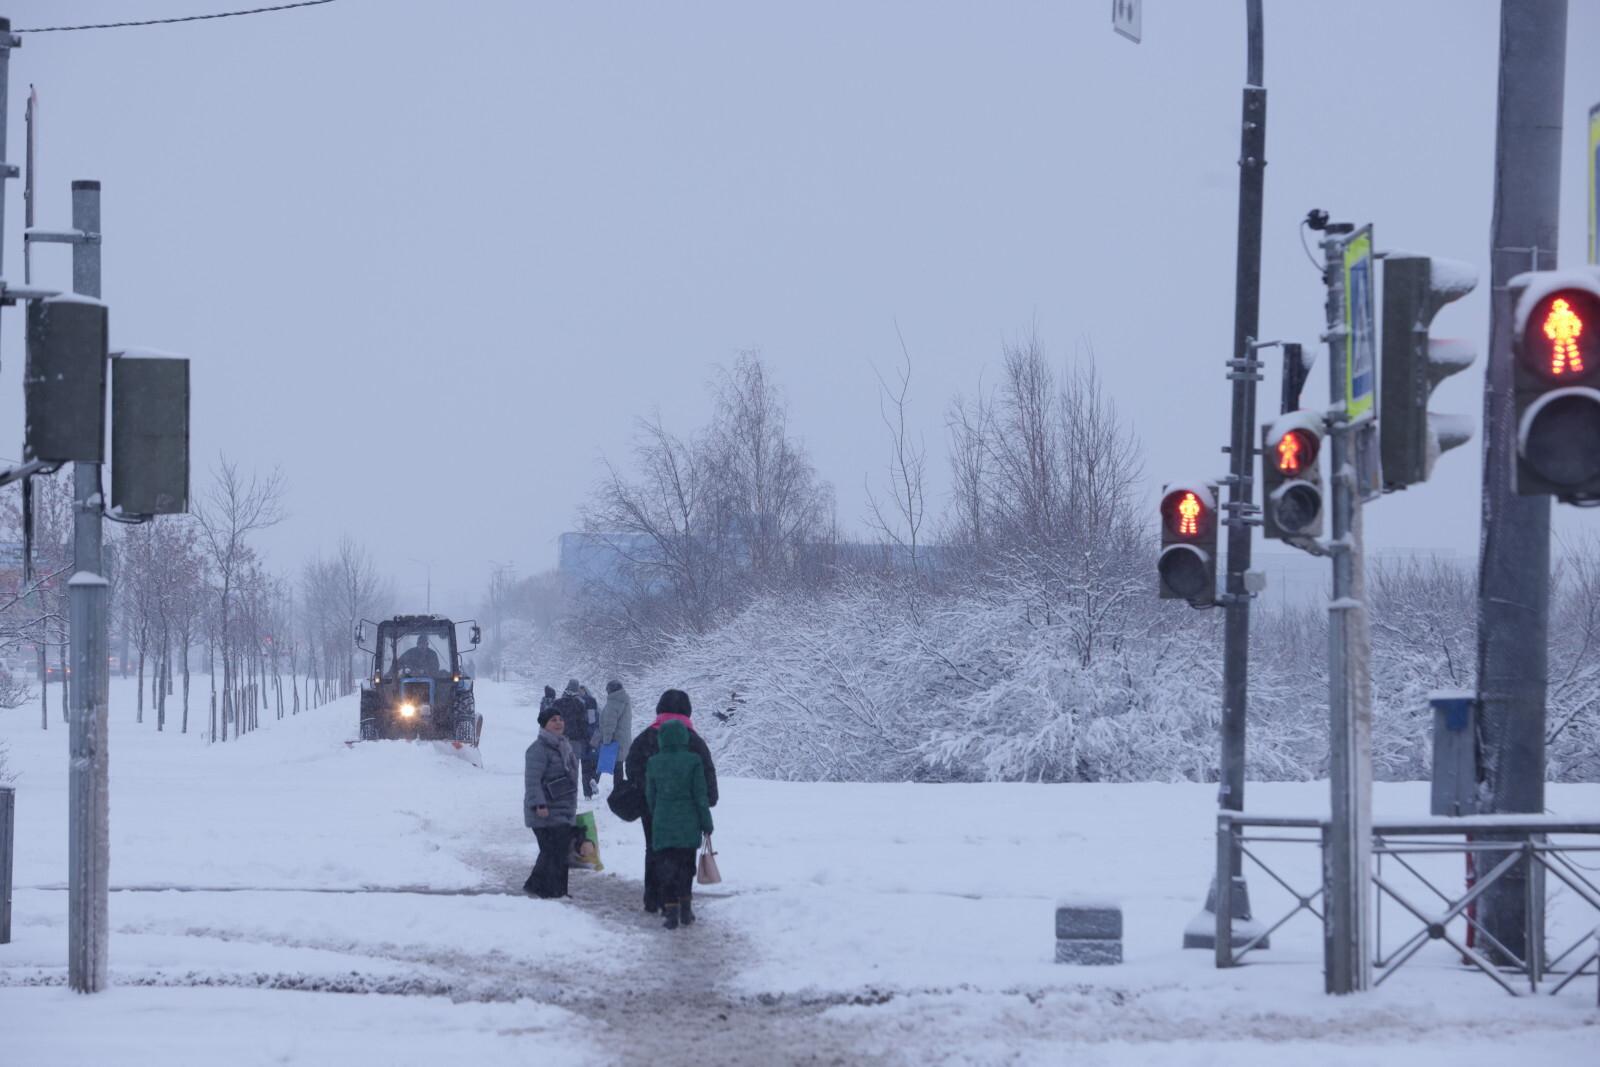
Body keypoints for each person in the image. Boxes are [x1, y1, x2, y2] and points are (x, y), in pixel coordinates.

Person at [625, 689, 718, 916]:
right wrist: (708, 800)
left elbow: (632, 767)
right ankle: (681, 899)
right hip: (688, 812)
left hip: (655, 809)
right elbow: (707, 774)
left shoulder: (646, 737)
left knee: (654, 849)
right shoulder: (694, 741)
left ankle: (653, 898)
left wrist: (651, 795)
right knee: (685, 854)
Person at [645, 719, 714, 930]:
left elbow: (650, 796)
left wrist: (659, 813)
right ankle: (686, 909)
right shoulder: (693, 761)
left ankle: (671, 912)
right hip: (688, 824)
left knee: (667, 869)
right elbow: (700, 796)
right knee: (686, 867)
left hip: (663, 823)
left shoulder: (654, 762)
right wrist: (706, 823)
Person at [523, 705, 580, 898]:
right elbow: (532, 781)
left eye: (560, 719)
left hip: (563, 809)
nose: (558, 723)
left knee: (559, 852)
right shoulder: (538, 749)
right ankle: (544, 889)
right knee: (552, 851)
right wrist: (539, 804)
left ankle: (555, 890)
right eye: (553, 720)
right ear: (544, 725)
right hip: (544, 811)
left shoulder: (565, 746)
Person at [554, 681, 594, 799]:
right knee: (573, 769)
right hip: (575, 741)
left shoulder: (557, 703)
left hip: (560, 741)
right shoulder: (580, 705)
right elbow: (584, 724)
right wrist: (587, 740)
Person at [597, 680, 633, 780]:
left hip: (614, 741)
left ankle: (617, 788)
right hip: (623, 739)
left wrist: (606, 741)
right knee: (619, 766)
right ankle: (620, 786)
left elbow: (609, 725)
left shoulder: (613, 703)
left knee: (615, 768)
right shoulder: (625, 701)